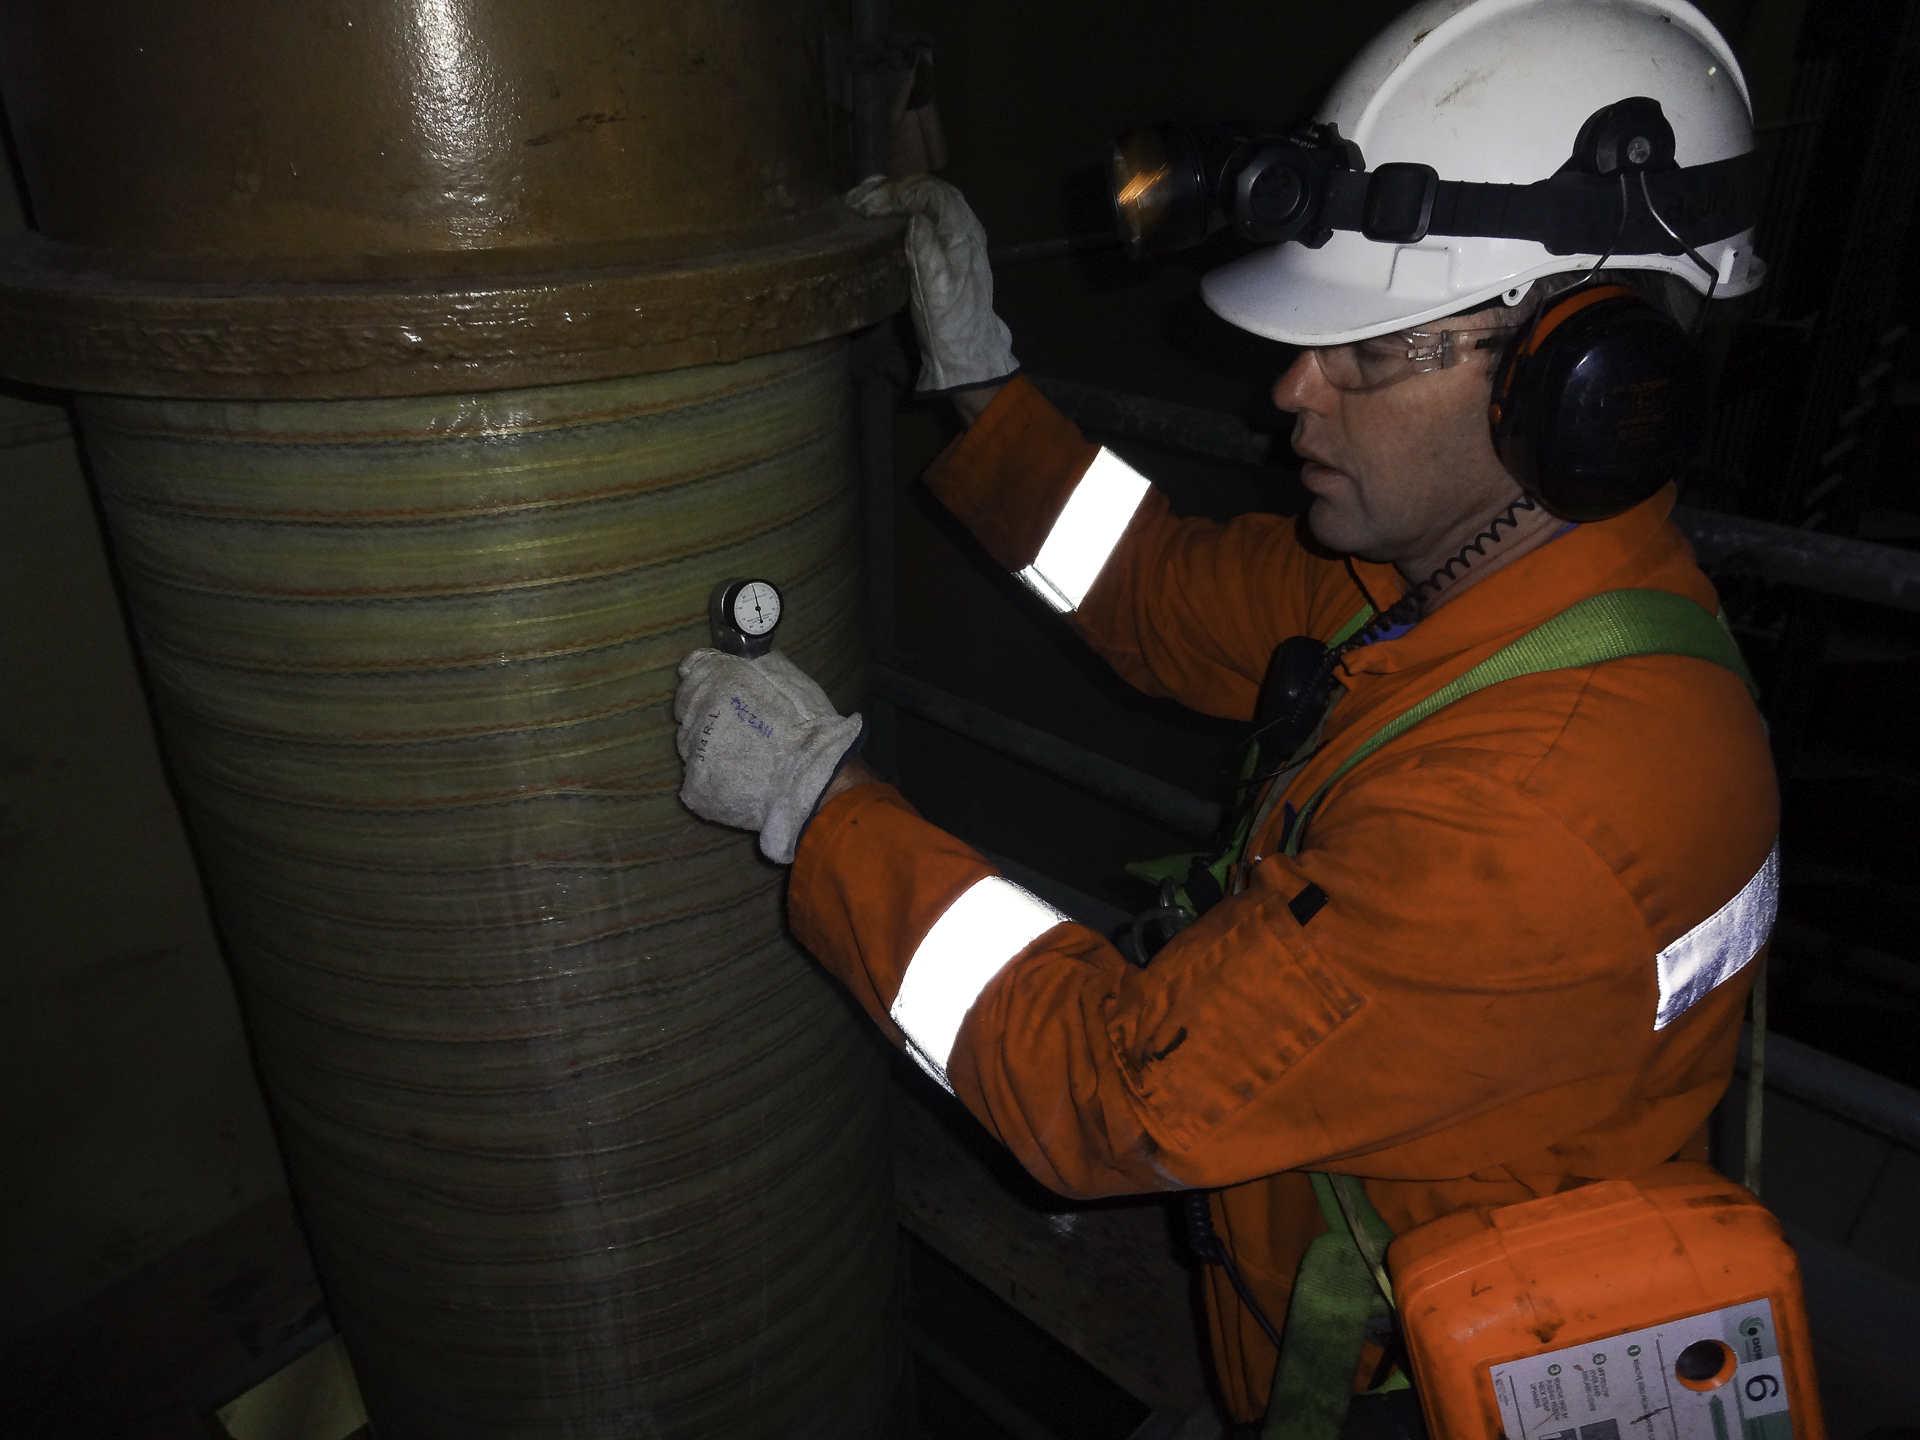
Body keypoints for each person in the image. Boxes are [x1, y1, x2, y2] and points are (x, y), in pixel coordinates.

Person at [673, 0, 1779, 1428]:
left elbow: (1107, 1098)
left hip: (1400, 1388)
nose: (1291, 386)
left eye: (1366, 350)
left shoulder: (1537, 815)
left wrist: (818, 811)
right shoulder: (1475, 589)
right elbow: (1156, 592)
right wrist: (978, 382)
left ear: (1576, 382)